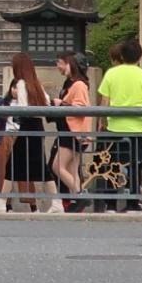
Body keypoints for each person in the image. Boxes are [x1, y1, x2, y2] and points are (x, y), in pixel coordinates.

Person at [96, 37, 142, 213]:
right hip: (137, 129)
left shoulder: (111, 73)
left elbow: (104, 102)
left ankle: (110, 204)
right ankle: (132, 203)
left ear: (122, 56)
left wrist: (102, 122)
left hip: (114, 127)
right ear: (140, 57)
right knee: (135, 165)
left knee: (111, 165)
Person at [1, 53, 51, 213]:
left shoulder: (22, 83)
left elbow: (23, 106)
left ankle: (1, 202)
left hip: (27, 126)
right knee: (41, 166)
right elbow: (47, 102)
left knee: (13, 164)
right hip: (38, 126)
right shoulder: (36, 83)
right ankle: (56, 203)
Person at [50, 51, 92, 206]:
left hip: (72, 131)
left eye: (65, 63)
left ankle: (80, 195)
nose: (61, 66)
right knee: (72, 170)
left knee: (57, 166)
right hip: (74, 131)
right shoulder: (74, 83)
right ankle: (77, 198)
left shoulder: (79, 85)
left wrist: (60, 104)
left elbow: (79, 108)